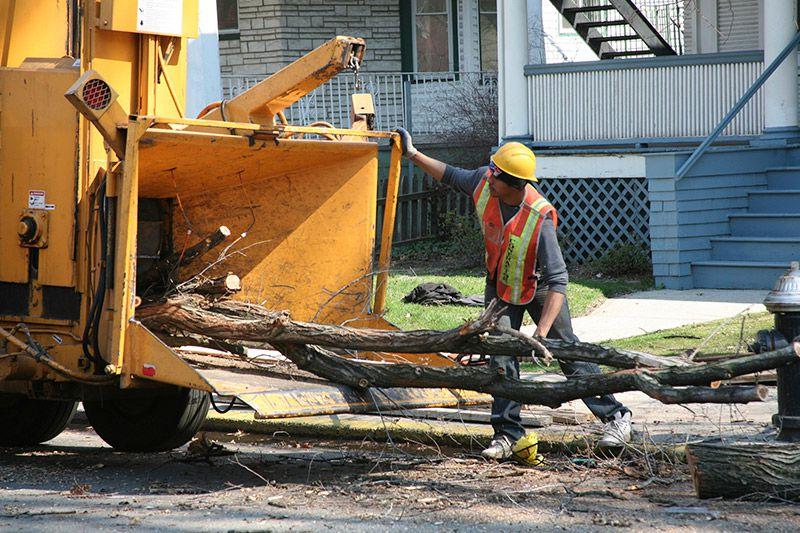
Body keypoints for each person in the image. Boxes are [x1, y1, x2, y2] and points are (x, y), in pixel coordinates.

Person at [393, 128, 632, 459]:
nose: (488, 176)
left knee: (569, 353)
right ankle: (508, 434)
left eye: (495, 174)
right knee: (501, 355)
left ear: (515, 184)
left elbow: (559, 279)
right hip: (501, 286)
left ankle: (616, 417)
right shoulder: (483, 183)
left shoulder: (539, 216)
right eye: (490, 170)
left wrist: (542, 334)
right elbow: (450, 175)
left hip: (541, 289)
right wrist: (412, 153)